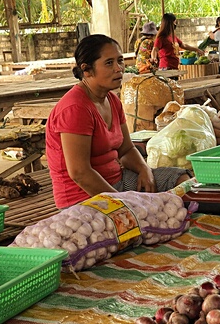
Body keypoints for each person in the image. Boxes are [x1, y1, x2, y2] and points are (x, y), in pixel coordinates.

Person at [46, 34, 192, 209]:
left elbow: (126, 149)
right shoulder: (75, 109)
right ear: (87, 70)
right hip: (83, 198)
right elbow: (80, 173)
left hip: (118, 183)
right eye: (109, 63)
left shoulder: (112, 100)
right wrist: (123, 204)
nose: (119, 69)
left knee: (181, 181)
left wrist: (144, 170)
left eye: (120, 61)